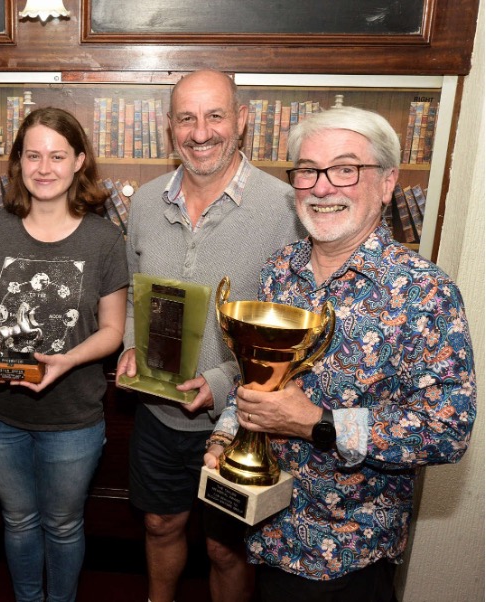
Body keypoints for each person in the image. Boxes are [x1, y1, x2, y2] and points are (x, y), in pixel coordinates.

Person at [204, 106, 477, 601]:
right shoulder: (278, 270)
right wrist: (224, 437)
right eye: (307, 170)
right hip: (266, 530)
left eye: (345, 169)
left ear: (388, 181)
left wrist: (318, 423)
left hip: (347, 557)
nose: (322, 187)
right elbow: (255, 381)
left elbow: (448, 430)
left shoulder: (424, 293)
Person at [116, 69, 304, 602]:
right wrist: (133, 341)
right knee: (159, 525)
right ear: (169, 127)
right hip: (158, 412)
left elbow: (289, 325)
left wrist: (221, 382)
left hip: (240, 418)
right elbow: (134, 291)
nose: (201, 132)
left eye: (215, 115)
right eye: (187, 118)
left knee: (226, 549)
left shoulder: (287, 207)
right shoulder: (147, 200)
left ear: (241, 120)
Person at [0, 107, 128, 602]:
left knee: (61, 524)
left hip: (73, 416)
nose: (44, 167)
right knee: (17, 519)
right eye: (32, 155)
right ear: (18, 162)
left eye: (57, 156)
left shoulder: (104, 238)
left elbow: (113, 331)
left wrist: (67, 360)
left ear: (79, 161)